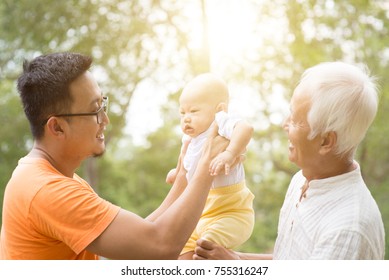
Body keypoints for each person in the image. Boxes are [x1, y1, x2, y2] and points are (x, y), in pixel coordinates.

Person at [0, 52, 230, 260]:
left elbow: (139, 238)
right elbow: (159, 245)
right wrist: (206, 165)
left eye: (103, 105)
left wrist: (183, 180)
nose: (105, 119)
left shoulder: (56, 178)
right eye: (94, 110)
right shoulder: (47, 190)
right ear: (57, 127)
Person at [193, 61, 385, 260]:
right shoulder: (302, 180)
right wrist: (236, 259)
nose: (285, 124)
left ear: (326, 141)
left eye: (294, 120)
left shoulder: (347, 231)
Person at [166, 73, 255, 260]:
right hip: (202, 215)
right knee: (179, 248)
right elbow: (187, 162)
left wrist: (230, 153)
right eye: (183, 113)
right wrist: (178, 172)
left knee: (205, 247)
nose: (186, 119)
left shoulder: (221, 122)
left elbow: (246, 129)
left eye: (194, 111)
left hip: (231, 213)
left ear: (219, 109)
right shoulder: (190, 138)